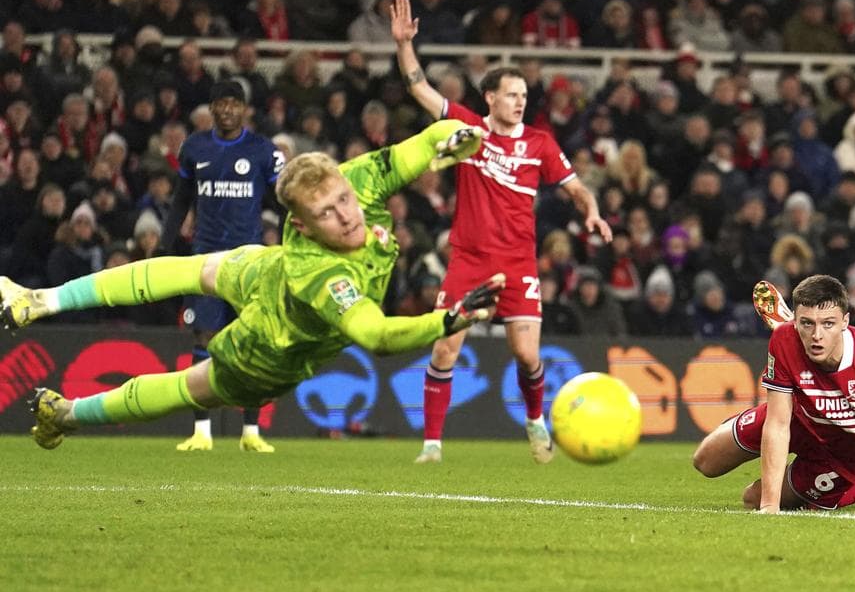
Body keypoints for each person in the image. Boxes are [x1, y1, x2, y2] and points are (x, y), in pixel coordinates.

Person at [6, 119, 500, 450]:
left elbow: (426, 140)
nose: (347, 215)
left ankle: (64, 403)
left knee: (190, 334)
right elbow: (378, 336)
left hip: (275, 309)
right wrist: (446, 321)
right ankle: (45, 316)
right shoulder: (325, 276)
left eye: (344, 200)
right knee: (189, 334)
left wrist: (460, 135)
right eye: (327, 213)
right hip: (269, 328)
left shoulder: (354, 180)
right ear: (301, 226)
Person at [390, 0, 613, 465]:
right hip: (468, 260)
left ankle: (534, 420)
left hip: (517, 263)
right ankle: (432, 445)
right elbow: (419, 89)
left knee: (527, 356)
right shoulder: (469, 130)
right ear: (490, 97)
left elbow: (575, 188)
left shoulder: (540, 143)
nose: (519, 103)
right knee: (445, 350)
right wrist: (405, 45)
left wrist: (591, 212)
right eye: (511, 95)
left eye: (524, 96)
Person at [691, 276, 855, 514]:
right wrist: (770, 506)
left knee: (751, 498)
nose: (817, 336)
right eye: (807, 323)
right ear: (794, 322)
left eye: (828, 324)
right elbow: (778, 423)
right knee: (705, 461)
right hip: (800, 419)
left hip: (848, 455)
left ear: (845, 321)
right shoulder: (784, 339)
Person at [157, 80, 282, 453]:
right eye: (221, 103)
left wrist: (293, 242)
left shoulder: (263, 151)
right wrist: (164, 244)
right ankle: (202, 431)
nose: (227, 109)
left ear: (245, 109)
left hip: (249, 262)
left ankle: (251, 431)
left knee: (253, 340)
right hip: (206, 258)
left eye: (234, 103)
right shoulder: (195, 147)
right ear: (212, 109)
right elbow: (181, 201)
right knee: (204, 339)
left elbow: (283, 202)